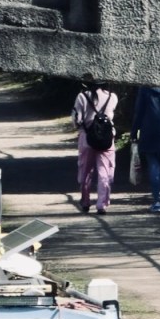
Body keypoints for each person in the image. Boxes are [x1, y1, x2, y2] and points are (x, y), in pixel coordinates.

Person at [72, 74, 118, 215]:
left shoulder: (82, 97)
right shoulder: (112, 97)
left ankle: (85, 201)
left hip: (87, 138)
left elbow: (76, 119)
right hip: (106, 139)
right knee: (105, 171)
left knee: (85, 171)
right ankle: (102, 204)